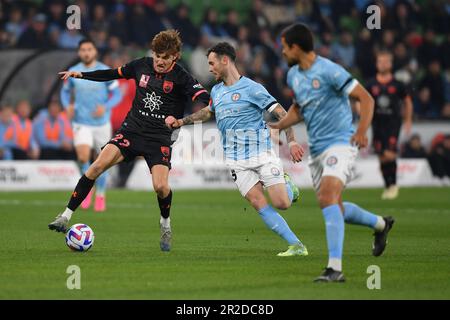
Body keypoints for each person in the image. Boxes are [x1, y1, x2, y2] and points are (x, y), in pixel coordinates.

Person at [49, 30, 210, 252]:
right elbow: (112, 73)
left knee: (161, 186)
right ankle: (65, 216)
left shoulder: (183, 78)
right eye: (157, 56)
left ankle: (165, 223)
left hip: (158, 137)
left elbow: (206, 103)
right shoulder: (141, 65)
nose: (160, 62)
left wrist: (182, 120)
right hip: (131, 131)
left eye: (165, 58)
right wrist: (82, 75)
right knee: (96, 166)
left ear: (175, 56)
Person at [270, 23, 395, 282]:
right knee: (333, 204)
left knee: (328, 197)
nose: (282, 52)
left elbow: (366, 99)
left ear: (295, 47)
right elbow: (299, 108)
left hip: (340, 143)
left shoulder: (329, 70)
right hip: (316, 151)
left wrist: (361, 130)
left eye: (284, 47)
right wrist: (279, 125)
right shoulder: (293, 75)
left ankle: (334, 268)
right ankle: (381, 224)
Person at [165, 42, 308, 257]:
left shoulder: (252, 88)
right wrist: (181, 121)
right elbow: (207, 112)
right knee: (257, 202)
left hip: (262, 154)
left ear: (225, 60)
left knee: (282, 203)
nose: (210, 68)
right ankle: (296, 245)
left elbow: (282, 113)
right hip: (235, 160)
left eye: (212, 63)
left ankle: (287, 184)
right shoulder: (217, 90)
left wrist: (293, 141)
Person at [60, 39, 122, 211]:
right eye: (83, 49)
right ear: (79, 52)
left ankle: (101, 193)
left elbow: (117, 94)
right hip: (81, 121)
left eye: (89, 49)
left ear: (95, 51)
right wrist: (68, 106)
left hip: (101, 123)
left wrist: (106, 106)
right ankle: (87, 189)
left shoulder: (105, 71)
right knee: (82, 157)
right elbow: (64, 94)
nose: (86, 52)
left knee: (103, 161)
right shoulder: (73, 72)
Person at [366, 50, 413, 199]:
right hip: (377, 123)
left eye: (386, 61)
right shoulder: (371, 83)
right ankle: (387, 185)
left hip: (393, 123)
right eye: (380, 61)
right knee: (382, 156)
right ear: (376, 63)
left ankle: (393, 185)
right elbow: (363, 101)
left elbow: (407, 102)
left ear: (391, 64)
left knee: (390, 154)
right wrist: (363, 118)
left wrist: (408, 120)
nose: (383, 64)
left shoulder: (398, 84)